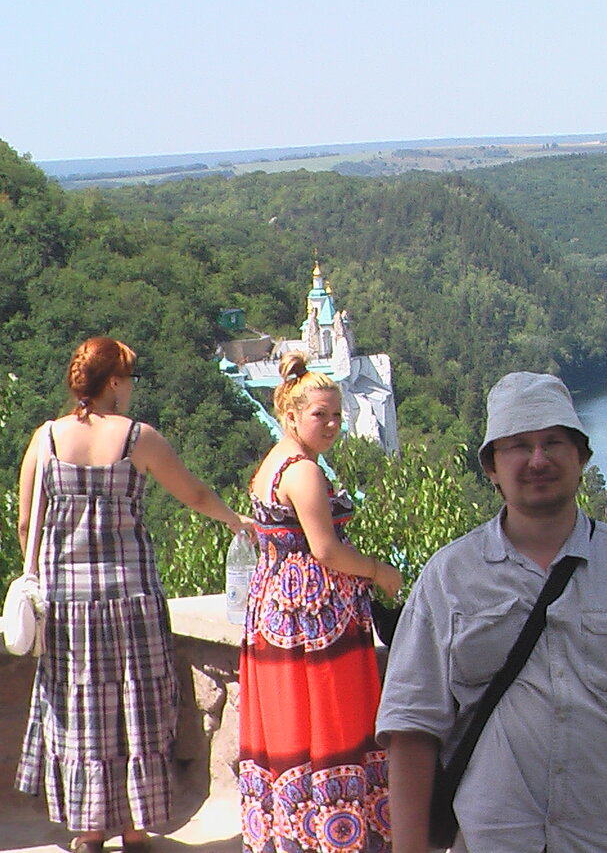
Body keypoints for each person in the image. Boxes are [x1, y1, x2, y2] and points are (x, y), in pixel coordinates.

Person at [377, 371, 607, 853]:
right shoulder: (449, 579)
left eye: (554, 443)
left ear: (581, 457)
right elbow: (413, 730)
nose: (538, 459)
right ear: (492, 467)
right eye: (518, 445)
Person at [14, 336, 253, 853]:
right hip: (131, 598)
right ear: (115, 383)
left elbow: (26, 520)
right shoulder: (138, 438)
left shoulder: (46, 439)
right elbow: (193, 492)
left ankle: (88, 830)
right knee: (136, 710)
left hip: (67, 604)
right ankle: (134, 828)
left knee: (81, 712)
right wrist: (235, 520)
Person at [239, 351, 403, 853]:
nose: (332, 424)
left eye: (336, 414)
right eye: (320, 415)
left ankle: (294, 832)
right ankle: (338, 834)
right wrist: (379, 571)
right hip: (315, 618)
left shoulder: (275, 462)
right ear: (291, 415)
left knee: (291, 730)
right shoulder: (305, 473)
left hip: (276, 608)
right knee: (330, 723)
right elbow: (326, 549)